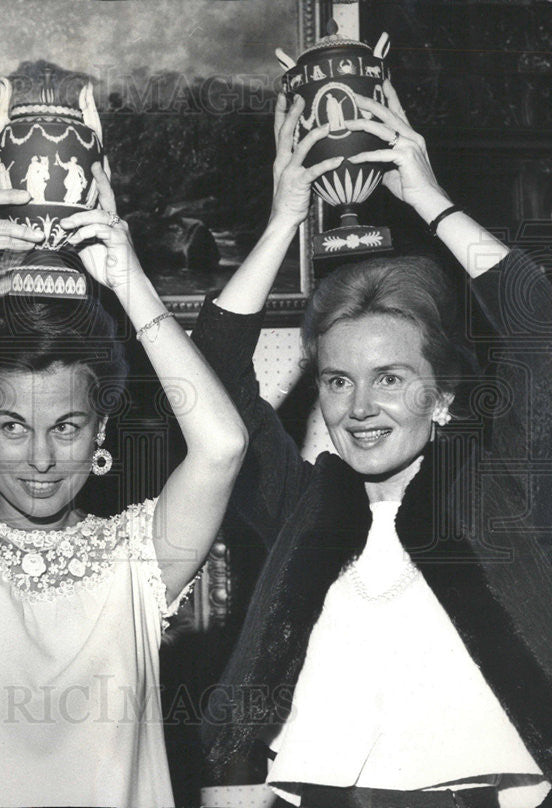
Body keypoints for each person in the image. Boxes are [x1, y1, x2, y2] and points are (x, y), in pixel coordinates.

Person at [0, 152, 248, 807]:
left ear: (100, 437)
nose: (40, 459)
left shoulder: (135, 562)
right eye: (11, 426)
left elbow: (223, 445)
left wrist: (130, 282)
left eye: (65, 427)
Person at [195, 84, 552, 806]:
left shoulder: (498, 486)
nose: (359, 408)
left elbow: (535, 323)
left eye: (390, 377)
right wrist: (283, 219)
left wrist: (429, 199)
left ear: (442, 392)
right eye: (336, 381)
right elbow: (209, 371)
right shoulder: (302, 503)